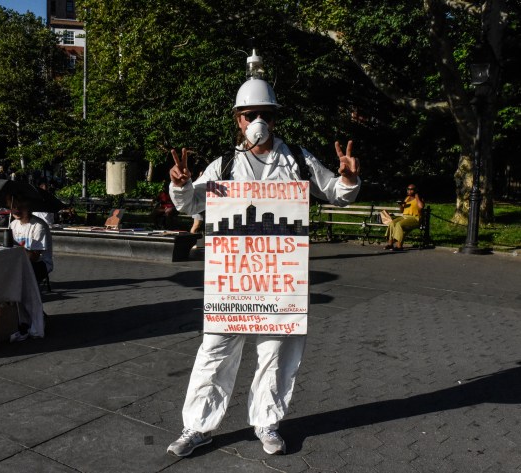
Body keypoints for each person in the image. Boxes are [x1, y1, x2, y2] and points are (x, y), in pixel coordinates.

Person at [165, 50, 361, 458]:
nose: (258, 122)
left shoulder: (299, 162)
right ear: (237, 118)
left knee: (277, 352)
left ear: (275, 119)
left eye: (265, 114)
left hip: (281, 279)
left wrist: (348, 177)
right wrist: (182, 185)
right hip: (232, 279)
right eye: (249, 113)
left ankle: (267, 422)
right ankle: (197, 426)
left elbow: (338, 194)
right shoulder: (222, 165)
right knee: (215, 350)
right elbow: (190, 204)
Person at [7, 194, 54, 287]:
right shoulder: (12, 225)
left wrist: (16, 246)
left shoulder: (39, 226)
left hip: (40, 264)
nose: (15, 210)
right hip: (19, 262)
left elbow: (34, 257)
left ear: (27, 207)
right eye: (12, 207)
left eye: (19, 207)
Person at [385, 184, 424, 250]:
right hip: (405, 216)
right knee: (392, 223)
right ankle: (390, 244)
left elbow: (421, 207)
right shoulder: (407, 198)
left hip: (415, 218)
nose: (409, 191)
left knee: (399, 224)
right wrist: (401, 205)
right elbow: (402, 211)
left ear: (415, 190)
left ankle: (398, 246)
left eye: (411, 189)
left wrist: (417, 197)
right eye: (408, 189)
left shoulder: (419, 198)